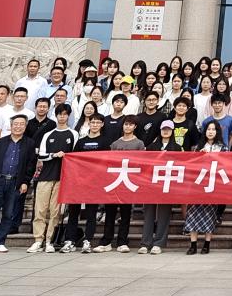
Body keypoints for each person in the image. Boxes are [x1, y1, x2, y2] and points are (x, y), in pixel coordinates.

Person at [0, 113, 34, 253]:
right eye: (15, 124)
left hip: (15, 183)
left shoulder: (29, 144)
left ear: (25, 126)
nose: (18, 126)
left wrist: (25, 181)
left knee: (8, 214)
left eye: (21, 124)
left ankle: (0, 242)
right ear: (10, 126)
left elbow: (30, 165)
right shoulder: (1, 142)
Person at [27, 102, 76, 254]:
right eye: (60, 114)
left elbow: (75, 156)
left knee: (55, 211)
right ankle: (38, 240)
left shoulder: (73, 134)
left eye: (65, 114)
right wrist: (54, 155)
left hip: (62, 177)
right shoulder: (48, 134)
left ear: (68, 116)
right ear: (56, 116)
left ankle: (49, 240)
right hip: (45, 176)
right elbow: (41, 155)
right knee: (40, 209)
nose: (62, 117)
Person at [99, 115, 145, 253]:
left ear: (135, 127)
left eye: (130, 124)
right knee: (110, 212)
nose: (127, 127)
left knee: (125, 214)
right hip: (114, 181)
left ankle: (122, 241)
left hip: (129, 182)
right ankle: (106, 241)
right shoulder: (115, 144)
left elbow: (142, 163)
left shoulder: (139, 144)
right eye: (126, 124)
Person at [63, 113, 107, 253]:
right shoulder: (81, 142)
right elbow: (73, 160)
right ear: (89, 123)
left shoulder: (106, 141)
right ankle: (70, 240)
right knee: (73, 211)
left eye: (98, 122)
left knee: (91, 212)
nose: (95, 125)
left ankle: (88, 240)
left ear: (102, 124)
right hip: (79, 181)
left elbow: (107, 161)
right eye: (92, 122)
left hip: (95, 182)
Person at [139, 120, 183, 254]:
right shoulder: (151, 147)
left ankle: (158, 243)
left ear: (172, 131)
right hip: (151, 183)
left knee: (164, 213)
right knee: (149, 213)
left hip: (167, 183)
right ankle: (145, 243)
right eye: (164, 129)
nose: (166, 131)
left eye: (168, 129)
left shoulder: (177, 148)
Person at [186, 119, 225, 255]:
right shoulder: (198, 147)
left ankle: (207, 244)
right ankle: (193, 244)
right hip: (198, 184)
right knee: (193, 214)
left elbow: (226, 165)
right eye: (208, 129)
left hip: (213, 184)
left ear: (217, 132)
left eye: (213, 129)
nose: (211, 132)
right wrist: (200, 156)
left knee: (210, 214)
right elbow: (192, 165)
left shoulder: (223, 148)